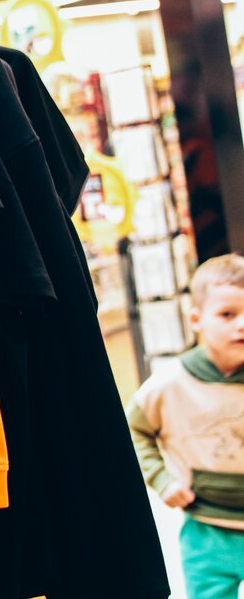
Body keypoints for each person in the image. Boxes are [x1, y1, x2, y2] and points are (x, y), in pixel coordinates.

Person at [128, 254, 244, 599]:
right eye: (227, 314)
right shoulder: (169, 383)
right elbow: (132, 431)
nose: (241, 325)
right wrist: (161, 479)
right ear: (196, 319)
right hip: (206, 526)